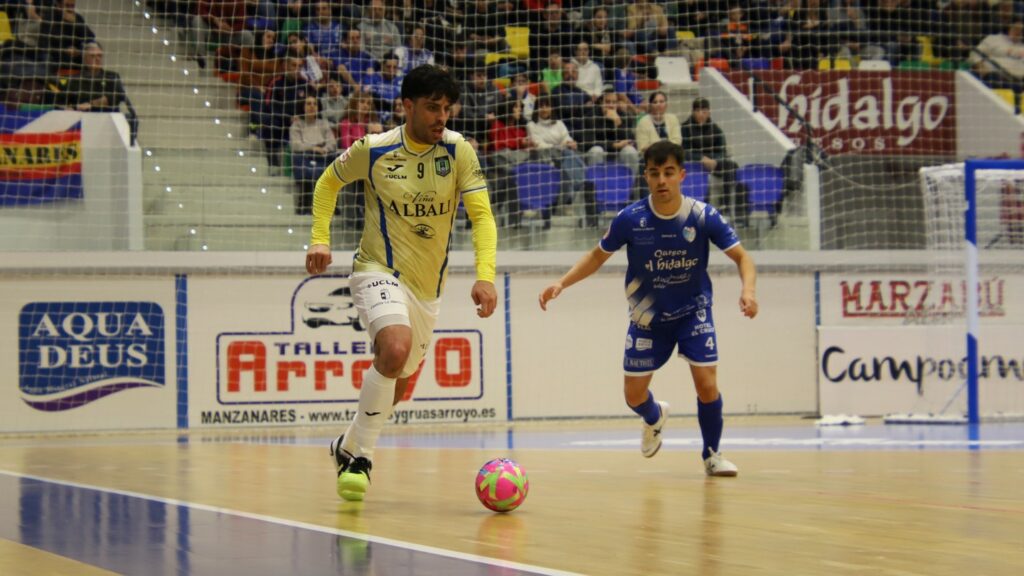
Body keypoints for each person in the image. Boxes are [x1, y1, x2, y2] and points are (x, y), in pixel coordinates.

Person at [305, 64, 498, 501]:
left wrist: (485, 276)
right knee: (394, 348)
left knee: (400, 386)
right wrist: (320, 238)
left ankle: (347, 443)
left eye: (447, 108)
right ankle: (362, 458)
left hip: (428, 289)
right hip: (376, 268)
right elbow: (327, 183)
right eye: (432, 107)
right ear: (406, 106)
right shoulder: (373, 150)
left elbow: (483, 217)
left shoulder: (459, 151)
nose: (441, 117)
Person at [538, 140, 757, 477]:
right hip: (647, 320)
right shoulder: (631, 219)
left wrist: (748, 291)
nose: (662, 181)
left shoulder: (702, 216)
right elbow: (597, 255)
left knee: (706, 384)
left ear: (682, 175)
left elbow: (743, 257)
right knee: (633, 395)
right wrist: (562, 283)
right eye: (655, 174)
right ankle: (654, 417)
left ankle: (712, 455)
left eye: (669, 173)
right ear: (646, 177)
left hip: (693, 314)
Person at [680, 97, 744, 226]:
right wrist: (700, 158)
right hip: (692, 165)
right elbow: (682, 150)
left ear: (709, 112)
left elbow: (722, 151)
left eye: (704, 111)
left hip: (713, 164)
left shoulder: (715, 129)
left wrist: (714, 160)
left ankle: (726, 206)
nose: (701, 114)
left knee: (732, 167)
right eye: (698, 111)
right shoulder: (685, 128)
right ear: (693, 112)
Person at [290, 95, 337, 214]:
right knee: (308, 170)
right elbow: (295, 145)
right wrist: (313, 148)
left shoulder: (323, 123)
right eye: (308, 104)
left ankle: (330, 206)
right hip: (304, 156)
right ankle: (305, 205)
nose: (312, 106)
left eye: (314, 104)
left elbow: (332, 142)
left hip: (322, 155)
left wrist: (325, 149)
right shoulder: (297, 125)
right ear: (303, 106)